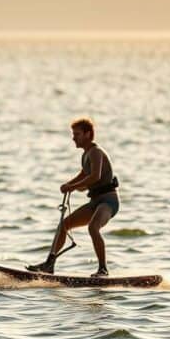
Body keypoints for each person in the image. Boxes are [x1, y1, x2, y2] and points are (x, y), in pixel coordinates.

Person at [27, 117, 120, 277]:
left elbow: (95, 177)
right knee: (64, 225)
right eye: (73, 134)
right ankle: (49, 264)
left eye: (77, 134)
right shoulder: (85, 155)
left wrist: (73, 187)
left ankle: (103, 269)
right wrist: (68, 185)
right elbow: (84, 174)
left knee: (93, 227)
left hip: (108, 202)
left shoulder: (96, 152)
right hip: (95, 202)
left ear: (88, 134)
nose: (73, 138)